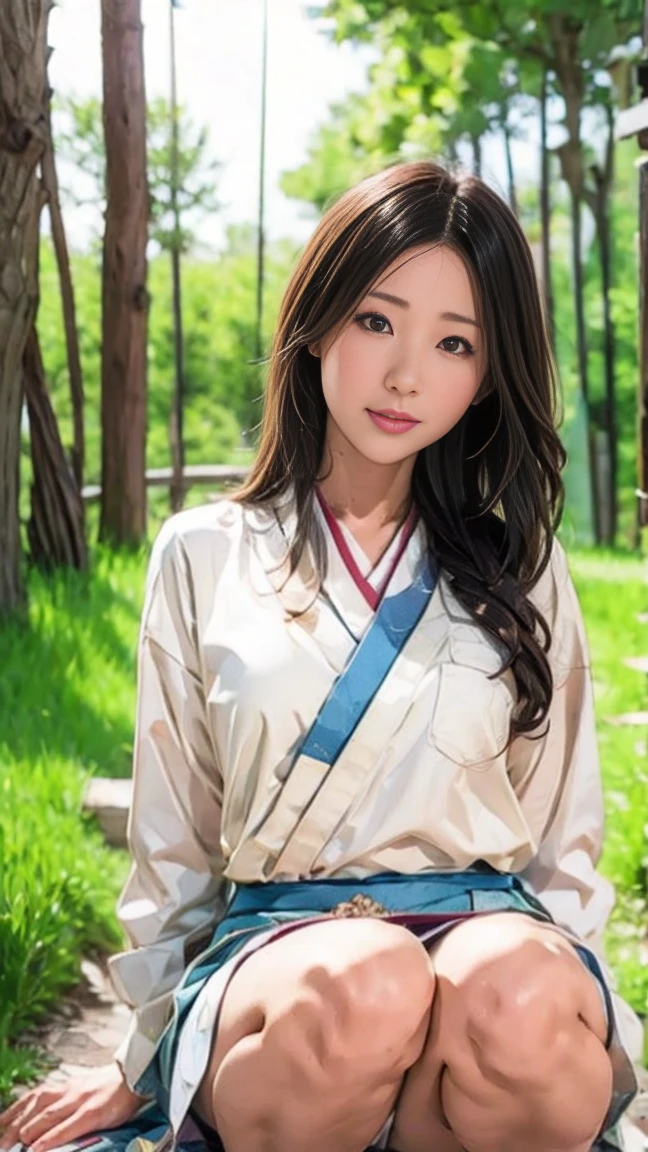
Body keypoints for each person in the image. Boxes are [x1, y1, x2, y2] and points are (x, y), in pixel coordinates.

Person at [0, 160, 642, 1152]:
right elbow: (172, 844)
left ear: (486, 374)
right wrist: (143, 1056)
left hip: (484, 948)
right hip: (284, 966)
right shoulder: (204, 553)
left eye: (455, 342)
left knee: (521, 998)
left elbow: (564, 838)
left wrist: (593, 1029)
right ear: (317, 319)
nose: (406, 375)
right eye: (377, 321)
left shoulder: (521, 563)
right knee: (366, 984)